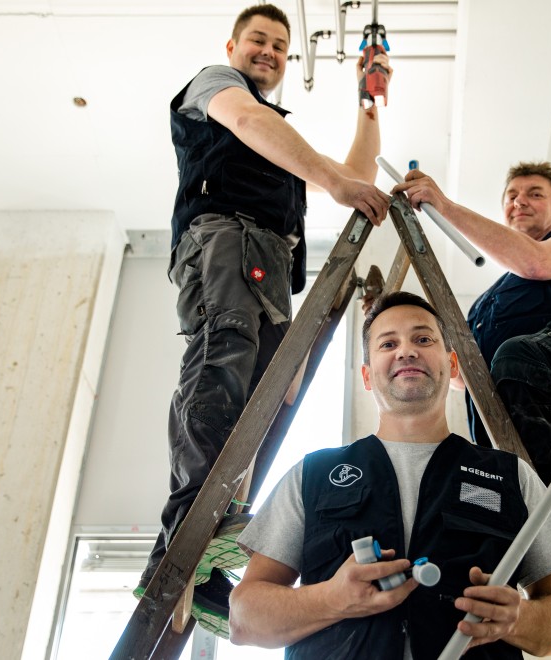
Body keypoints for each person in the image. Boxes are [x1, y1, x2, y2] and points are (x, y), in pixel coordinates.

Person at [136, 3, 393, 637]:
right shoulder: (215, 87)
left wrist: (370, 105)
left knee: (264, 404)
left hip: (272, 266)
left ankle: (204, 544)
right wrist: (331, 179)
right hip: (225, 240)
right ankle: (183, 538)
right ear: (232, 45)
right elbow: (251, 122)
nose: (270, 51)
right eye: (259, 40)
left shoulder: (281, 139)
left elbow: (353, 178)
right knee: (221, 368)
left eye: (280, 45)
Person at [229, 292, 551, 659]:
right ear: (367, 376)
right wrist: (331, 599)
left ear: (450, 365)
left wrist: (519, 619)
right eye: (388, 343)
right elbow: (244, 619)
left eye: (423, 339)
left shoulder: (511, 477)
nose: (406, 351)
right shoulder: (312, 475)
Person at [392, 163, 551, 590]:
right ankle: (537, 594)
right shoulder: (488, 303)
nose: (520, 200)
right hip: (510, 409)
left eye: (535, 194)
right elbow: (470, 379)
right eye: (512, 195)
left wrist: (442, 205)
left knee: (520, 358)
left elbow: (534, 263)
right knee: (477, 488)